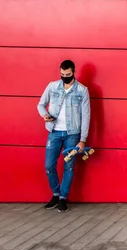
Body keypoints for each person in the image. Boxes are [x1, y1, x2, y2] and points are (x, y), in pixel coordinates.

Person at [37, 60, 91, 212]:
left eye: (67, 75)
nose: (64, 77)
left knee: (69, 166)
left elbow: (86, 116)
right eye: (62, 74)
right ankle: (55, 193)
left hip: (72, 134)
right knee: (49, 165)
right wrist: (45, 115)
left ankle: (62, 198)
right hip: (54, 131)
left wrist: (83, 140)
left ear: (74, 72)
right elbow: (40, 104)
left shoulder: (82, 90)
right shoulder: (52, 86)